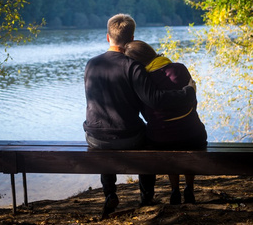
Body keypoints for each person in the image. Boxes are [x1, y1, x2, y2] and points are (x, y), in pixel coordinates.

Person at [83, 14, 197, 218]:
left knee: (103, 136)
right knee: (149, 138)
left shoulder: (91, 64)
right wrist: (188, 92)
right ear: (132, 37)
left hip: (94, 137)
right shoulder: (133, 66)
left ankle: (110, 193)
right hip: (127, 137)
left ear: (107, 37)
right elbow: (155, 100)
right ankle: (146, 197)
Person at [124, 40, 208, 205]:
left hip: (161, 138)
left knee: (167, 137)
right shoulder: (179, 68)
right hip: (193, 135)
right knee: (187, 131)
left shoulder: (143, 80)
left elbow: (145, 113)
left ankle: (175, 189)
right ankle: (189, 188)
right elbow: (193, 102)